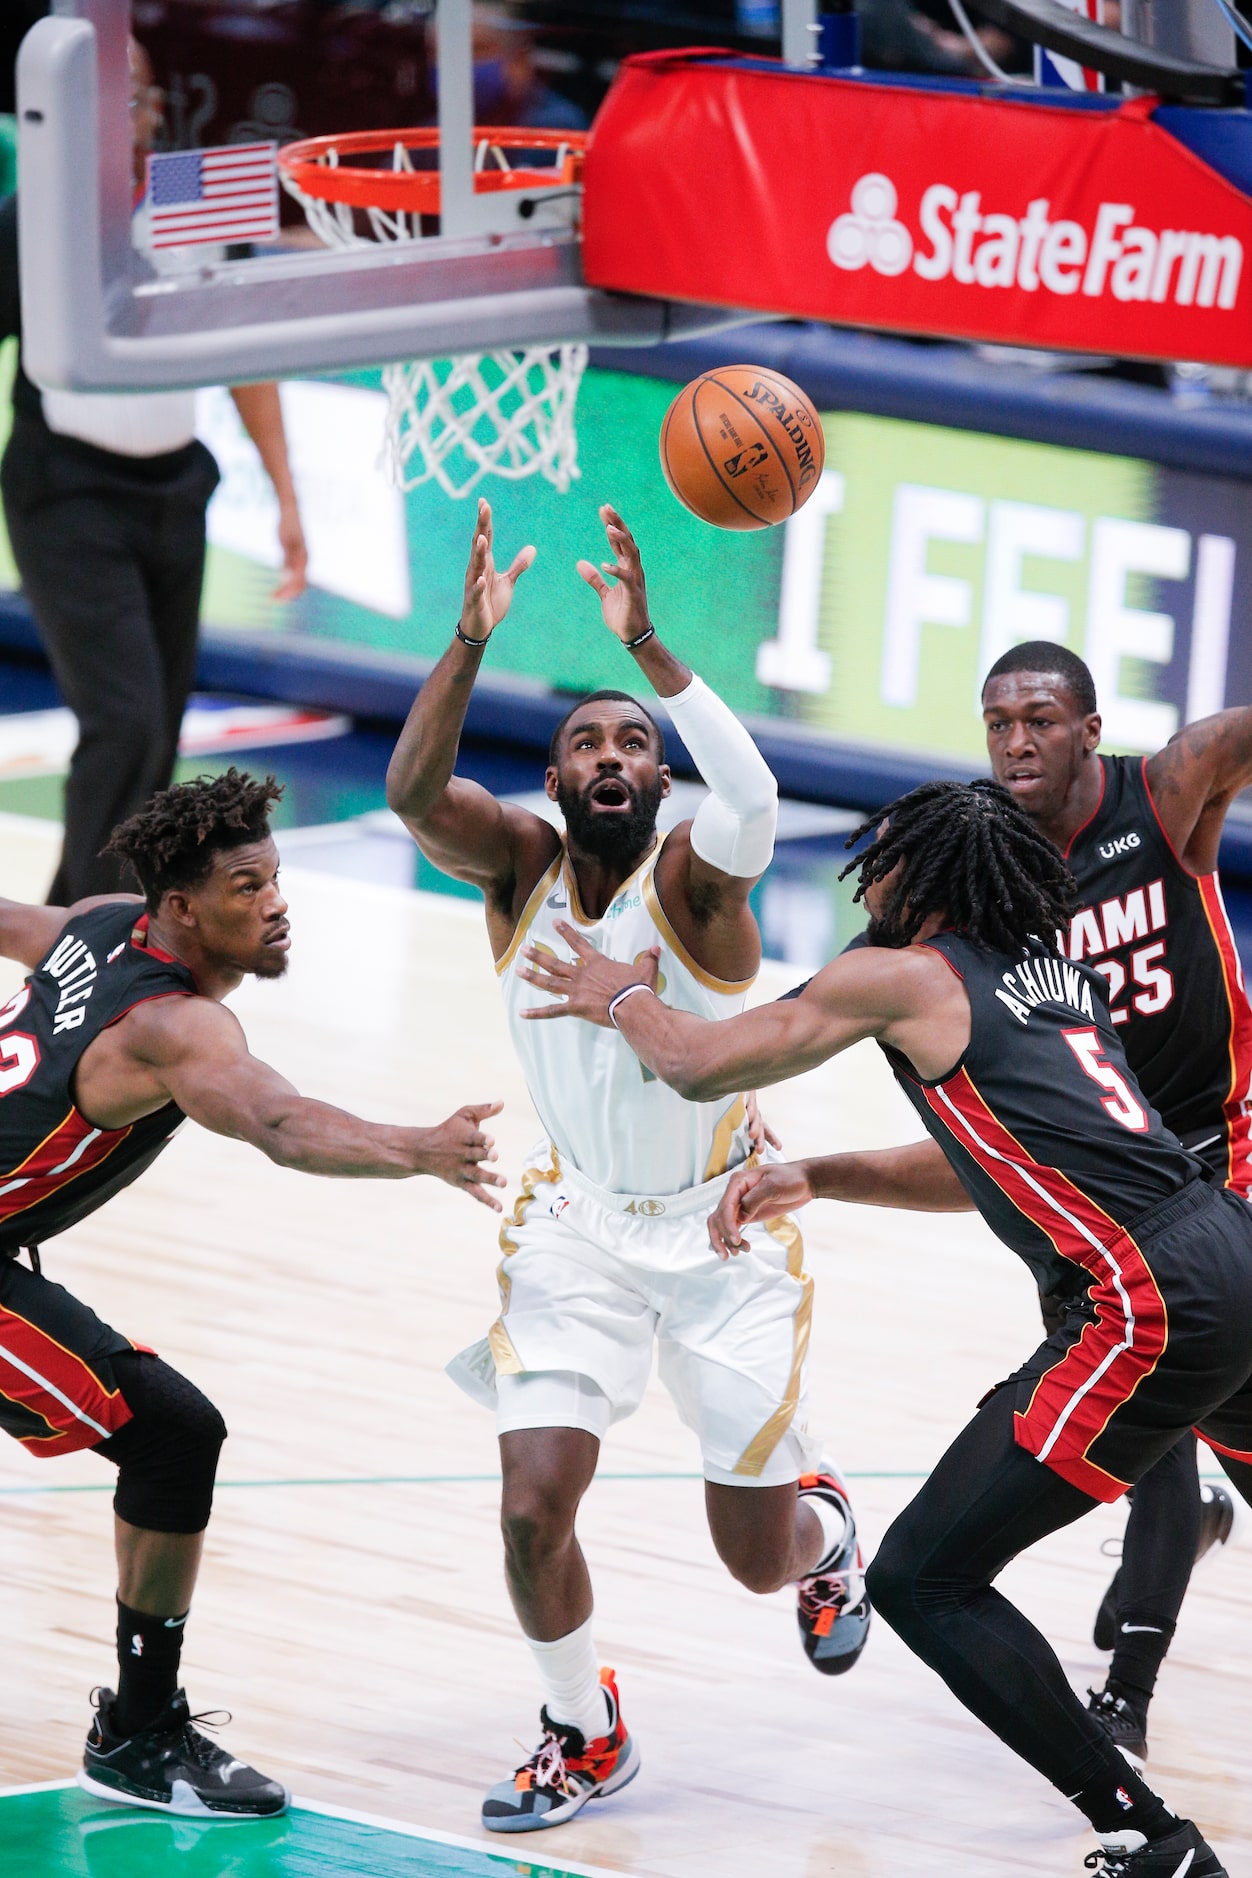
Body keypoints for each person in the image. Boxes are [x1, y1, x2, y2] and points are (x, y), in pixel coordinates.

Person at [520, 778, 1252, 1878]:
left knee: (922, 1578)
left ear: (923, 873)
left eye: (887, 860)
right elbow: (988, 1169)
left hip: (1143, 1301)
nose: (872, 877)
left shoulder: (900, 975)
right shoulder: (1053, 980)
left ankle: (1151, 1840)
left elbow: (694, 1063)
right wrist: (815, 1173)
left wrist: (621, 992)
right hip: (1229, 1247)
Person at [385, 500, 867, 1835]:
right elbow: (415, 794)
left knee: (753, 1562)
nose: (610, 753)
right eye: (586, 740)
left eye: (633, 743)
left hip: (722, 1235)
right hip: (578, 1230)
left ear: (661, 783)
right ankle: (582, 1731)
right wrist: (466, 644)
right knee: (533, 1502)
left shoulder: (697, 887)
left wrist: (652, 645)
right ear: (555, 780)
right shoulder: (519, 869)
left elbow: (760, 796)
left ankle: (824, 1529)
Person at [0, 767, 504, 1817]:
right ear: (179, 909)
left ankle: (140, 1726)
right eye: (245, 888)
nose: (277, 904)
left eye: (275, 880)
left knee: (173, 1432)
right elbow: (276, 1124)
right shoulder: (178, 1030)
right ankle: (140, 1736)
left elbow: (13, 921)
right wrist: (417, 1148)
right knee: (172, 1432)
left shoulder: (99, 924)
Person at [979, 640, 1242, 1764]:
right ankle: (1125, 1692)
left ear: (1090, 728)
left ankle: (1175, 1553)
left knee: (1188, 1409)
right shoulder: (987, 862)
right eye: (997, 724)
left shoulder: (1166, 788)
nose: (1017, 741)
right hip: (1111, 1179)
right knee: (1161, 1408)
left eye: (1039, 718)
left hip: (1227, 1148)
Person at [0, 37, 308, 904]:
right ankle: (74, 938)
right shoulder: (38, 213)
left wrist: (286, 497)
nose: (121, 109)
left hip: (174, 488)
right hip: (66, 495)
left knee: (161, 736)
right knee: (124, 722)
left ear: (154, 106)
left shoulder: (199, 193)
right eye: (99, 94)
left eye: (131, 91)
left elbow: (247, 352)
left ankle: (123, 933)